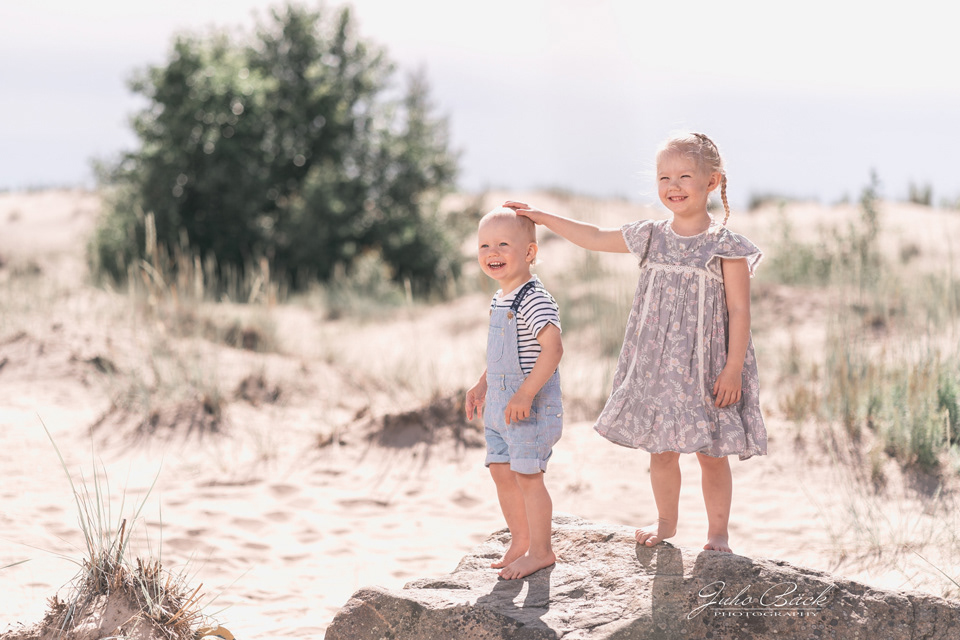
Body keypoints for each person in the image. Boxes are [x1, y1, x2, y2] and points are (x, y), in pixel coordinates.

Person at [505, 132, 766, 554]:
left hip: (708, 367)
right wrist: (543, 217)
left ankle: (718, 533)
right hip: (657, 365)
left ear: (712, 182)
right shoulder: (651, 236)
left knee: (711, 454)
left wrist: (733, 367)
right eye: (665, 177)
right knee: (660, 451)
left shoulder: (726, 246)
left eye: (685, 176)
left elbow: (740, 311)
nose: (673, 186)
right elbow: (592, 236)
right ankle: (666, 521)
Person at [465, 207, 564, 579]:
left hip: (529, 406)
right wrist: (483, 384)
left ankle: (541, 551)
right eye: (484, 245)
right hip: (499, 407)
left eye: (504, 244)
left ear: (529, 253)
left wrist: (524, 395)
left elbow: (552, 349)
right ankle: (520, 539)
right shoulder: (500, 297)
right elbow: (503, 354)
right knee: (502, 472)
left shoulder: (534, 298)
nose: (493, 251)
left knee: (527, 475)